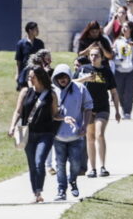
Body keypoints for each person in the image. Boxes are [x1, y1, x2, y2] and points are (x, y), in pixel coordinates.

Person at [8, 65, 59, 203]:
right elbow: (18, 111)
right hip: (28, 133)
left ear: (40, 77)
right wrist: (12, 126)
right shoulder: (25, 92)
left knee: (39, 162)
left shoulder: (51, 94)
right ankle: (36, 193)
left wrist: (65, 117)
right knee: (32, 165)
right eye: (29, 76)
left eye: (32, 76)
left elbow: (55, 114)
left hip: (46, 134)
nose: (29, 79)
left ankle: (39, 190)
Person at [75, 44, 121, 178]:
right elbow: (72, 82)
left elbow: (114, 92)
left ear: (101, 58)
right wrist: (85, 78)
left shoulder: (106, 72)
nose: (94, 57)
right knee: (90, 137)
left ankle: (102, 167)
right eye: (92, 55)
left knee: (99, 134)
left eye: (96, 55)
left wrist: (118, 111)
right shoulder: (84, 69)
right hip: (88, 109)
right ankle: (92, 168)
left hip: (102, 107)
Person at [51, 64, 93, 201]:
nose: (62, 79)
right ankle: (61, 190)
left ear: (69, 76)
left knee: (76, 164)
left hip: (76, 135)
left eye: (64, 76)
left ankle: (73, 181)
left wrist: (85, 126)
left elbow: (88, 107)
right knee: (60, 164)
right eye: (59, 77)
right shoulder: (53, 91)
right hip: (58, 136)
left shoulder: (80, 89)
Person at [112, 21, 133, 119]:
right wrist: (118, 60)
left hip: (131, 70)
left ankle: (127, 112)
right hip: (119, 70)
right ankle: (123, 107)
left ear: (131, 29)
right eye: (123, 27)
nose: (124, 29)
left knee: (130, 92)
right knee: (119, 92)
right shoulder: (117, 42)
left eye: (127, 27)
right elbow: (113, 55)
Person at [15, 22, 44, 90]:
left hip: (37, 71)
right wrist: (17, 74)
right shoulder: (21, 44)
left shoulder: (40, 43)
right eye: (36, 29)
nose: (38, 31)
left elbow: (43, 58)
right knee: (25, 90)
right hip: (24, 72)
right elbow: (18, 60)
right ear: (30, 30)